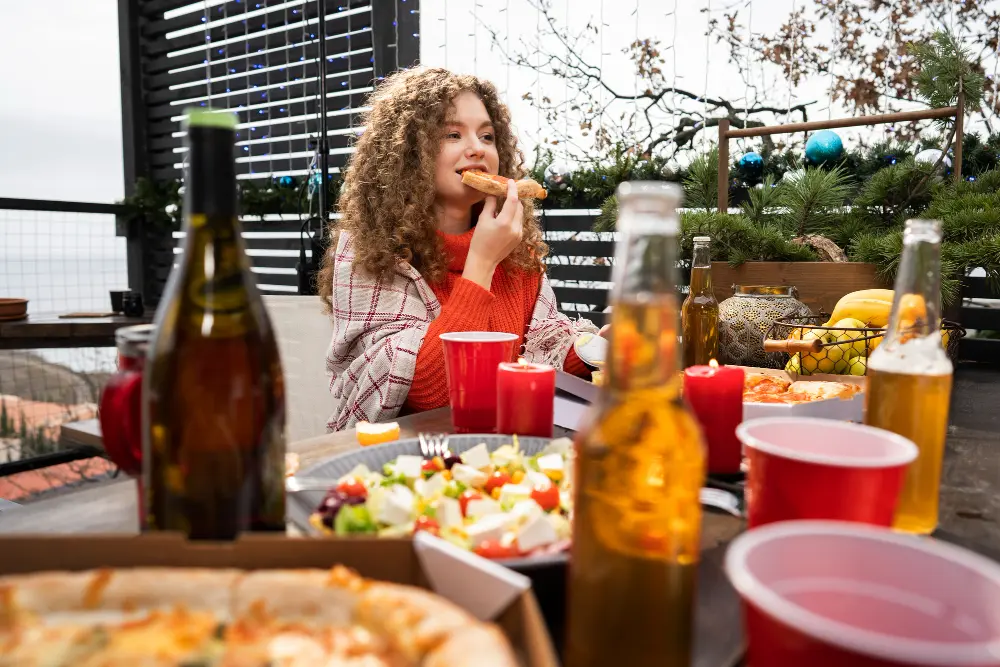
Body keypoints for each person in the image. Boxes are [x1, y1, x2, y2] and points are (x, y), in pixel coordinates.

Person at [317, 67, 601, 431]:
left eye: (487, 136)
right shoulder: (371, 253)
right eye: (453, 134)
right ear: (409, 154)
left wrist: (591, 351)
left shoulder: (516, 252)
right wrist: (482, 263)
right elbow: (429, 393)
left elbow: (539, 356)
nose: (477, 149)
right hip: (404, 463)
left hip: (504, 456)